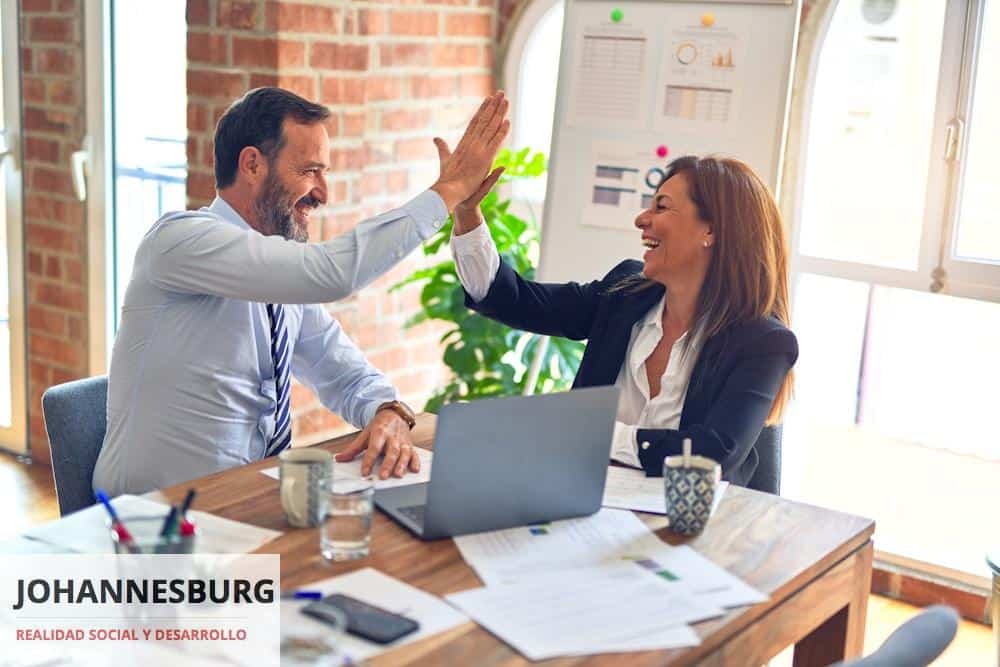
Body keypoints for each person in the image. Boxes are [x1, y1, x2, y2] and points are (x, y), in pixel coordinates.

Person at [93, 87, 509, 495]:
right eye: (310, 171)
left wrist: (388, 410)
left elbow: (342, 372)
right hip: (151, 523)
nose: (323, 194)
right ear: (253, 165)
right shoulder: (180, 241)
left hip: (247, 502)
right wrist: (449, 190)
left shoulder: (279, 278)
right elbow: (332, 274)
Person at [450, 155, 797, 486]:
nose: (642, 219)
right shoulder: (625, 294)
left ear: (712, 231)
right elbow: (514, 300)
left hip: (691, 530)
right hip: (583, 503)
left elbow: (711, 454)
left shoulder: (762, 343)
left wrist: (592, 432)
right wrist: (467, 214)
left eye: (661, 206)